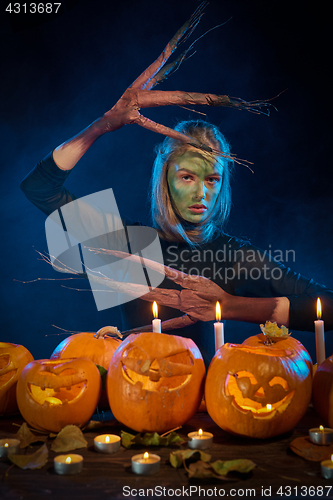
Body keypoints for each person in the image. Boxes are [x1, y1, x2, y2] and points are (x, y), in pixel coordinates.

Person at [20, 98, 333, 366]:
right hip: (133, 397)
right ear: (165, 178)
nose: (201, 193)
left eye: (212, 179)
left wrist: (230, 306)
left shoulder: (235, 256)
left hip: (210, 411)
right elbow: (39, 188)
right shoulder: (128, 242)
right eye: (187, 177)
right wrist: (101, 126)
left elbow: (328, 307)